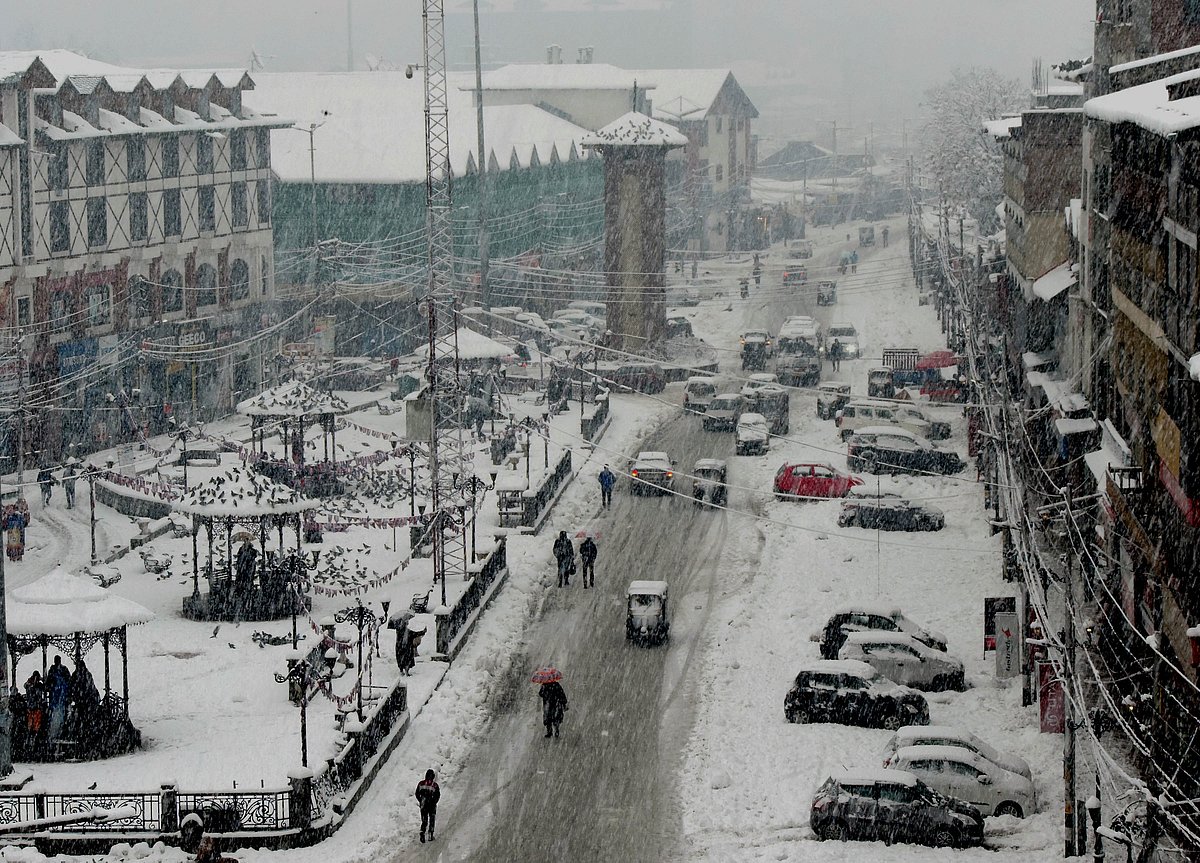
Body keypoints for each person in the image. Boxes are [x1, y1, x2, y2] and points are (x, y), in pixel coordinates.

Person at [46, 655, 71, 742]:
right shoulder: (53, 670)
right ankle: (55, 733)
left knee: (60, 715)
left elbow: (69, 681)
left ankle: (59, 732)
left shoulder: (62, 670)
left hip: (60, 698)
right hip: (56, 698)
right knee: (56, 715)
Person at [415, 768, 441, 843]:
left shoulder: (421, 783)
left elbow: (417, 793)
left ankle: (422, 832)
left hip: (423, 805)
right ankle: (430, 834)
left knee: (424, 820)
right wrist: (434, 802)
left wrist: (421, 800)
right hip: (431, 805)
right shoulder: (434, 785)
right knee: (432, 819)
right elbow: (437, 795)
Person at [24, 671, 45, 757]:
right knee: (34, 728)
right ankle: (31, 746)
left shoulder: (31, 685)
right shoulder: (32, 685)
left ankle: (30, 746)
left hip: (33, 708)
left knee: (32, 728)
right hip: (34, 708)